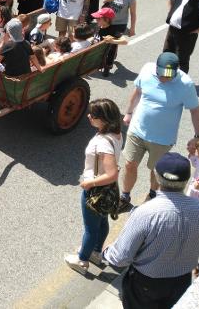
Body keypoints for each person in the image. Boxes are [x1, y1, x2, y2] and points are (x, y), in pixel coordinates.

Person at [104, 153, 199, 308]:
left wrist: (106, 251)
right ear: (187, 179)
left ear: (156, 176)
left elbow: (120, 258)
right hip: (181, 282)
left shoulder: (144, 213)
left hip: (145, 284)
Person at [118, 52, 199, 214]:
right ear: (156, 68)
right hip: (137, 130)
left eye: (169, 76)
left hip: (162, 139)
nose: (164, 79)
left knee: (155, 170)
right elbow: (137, 92)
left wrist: (197, 136)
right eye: (161, 74)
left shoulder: (185, 84)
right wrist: (128, 112)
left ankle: (151, 195)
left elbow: (195, 111)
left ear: (176, 72)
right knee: (129, 164)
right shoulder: (147, 70)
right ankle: (125, 196)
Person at [64, 99, 122, 275]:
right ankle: (96, 253)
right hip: (108, 190)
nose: (88, 116)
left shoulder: (103, 142)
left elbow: (112, 173)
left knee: (90, 228)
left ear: (103, 119)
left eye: (93, 115)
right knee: (102, 221)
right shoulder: (116, 134)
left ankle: (82, 260)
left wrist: (89, 183)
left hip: (95, 189)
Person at [99, 0, 137, 74]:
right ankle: (103, 59)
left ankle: (108, 66)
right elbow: (104, 3)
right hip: (107, 22)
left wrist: (132, 28)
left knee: (112, 43)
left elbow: (133, 14)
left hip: (120, 24)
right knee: (103, 41)